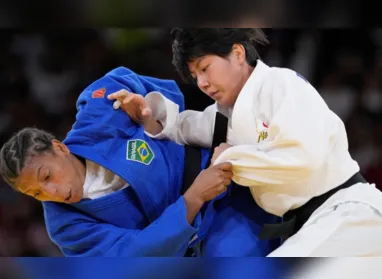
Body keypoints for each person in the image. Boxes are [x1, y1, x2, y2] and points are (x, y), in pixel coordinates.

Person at [107, 28, 382, 257]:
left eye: (205, 68)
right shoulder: (225, 116)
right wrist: (146, 115)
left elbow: (303, 159)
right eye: (195, 76)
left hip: (349, 213)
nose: (202, 82)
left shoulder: (281, 85)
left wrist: (231, 157)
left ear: (238, 53)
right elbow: (182, 127)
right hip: (315, 225)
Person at [0, 66, 278, 257]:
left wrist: (144, 104)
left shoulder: (97, 120)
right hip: (205, 234)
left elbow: (119, 80)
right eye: (35, 193)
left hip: (224, 163)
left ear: (59, 148)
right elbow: (132, 255)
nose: (52, 194)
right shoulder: (64, 225)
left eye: (47, 177)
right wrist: (193, 199)